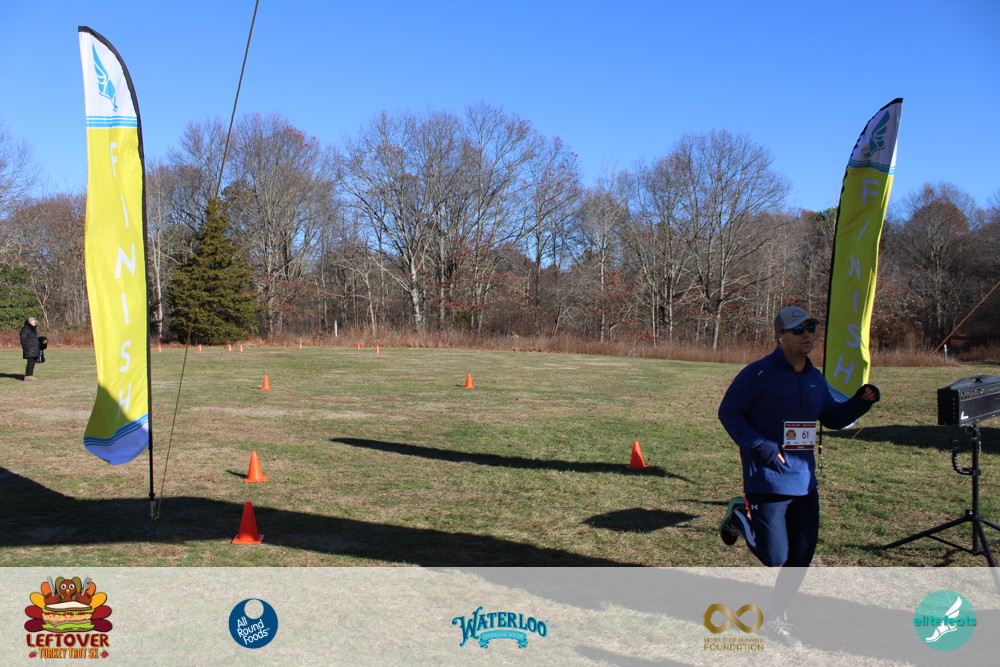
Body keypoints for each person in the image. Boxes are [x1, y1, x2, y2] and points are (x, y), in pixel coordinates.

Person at [717, 305, 879, 647]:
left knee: (801, 557)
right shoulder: (758, 373)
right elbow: (729, 412)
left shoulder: (815, 378)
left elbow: (832, 417)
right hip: (768, 476)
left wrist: (860, 402)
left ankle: (777, 618)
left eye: (811, 328)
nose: (808, 335)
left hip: (805, 481)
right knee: (774, 556)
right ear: (780, 336)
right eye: (799, 329)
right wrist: (760, 445)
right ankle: (739, 515)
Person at [20, 317, 41, 381]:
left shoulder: (32, 330)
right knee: (30, 362)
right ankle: (28, 376)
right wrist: (26, 347)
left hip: (34, 348)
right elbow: (23, 339)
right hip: (29, 349)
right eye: (33, 321)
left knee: (33, 362)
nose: (34, 323)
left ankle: (30, 375)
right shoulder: (26, 329)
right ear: (30, 322)